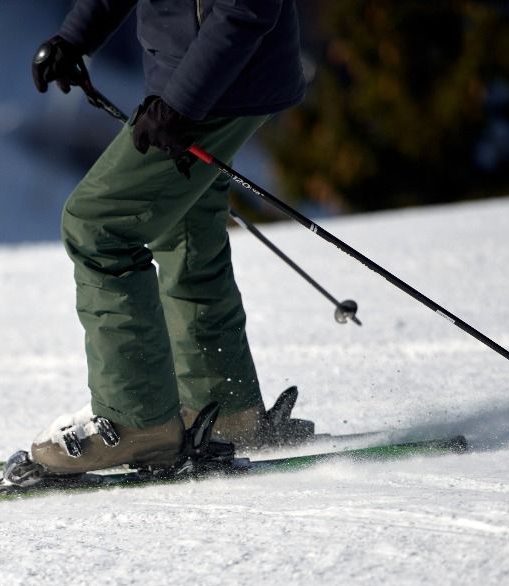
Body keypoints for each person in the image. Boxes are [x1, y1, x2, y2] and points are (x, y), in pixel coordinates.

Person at [29, 0, 309, 474]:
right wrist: (77, 36)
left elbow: (245, 8)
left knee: (96, 224)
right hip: (197, 80)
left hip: (218, 82)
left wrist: (182, 102)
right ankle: (224, 408)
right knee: (185, 229)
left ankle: (136, 423)